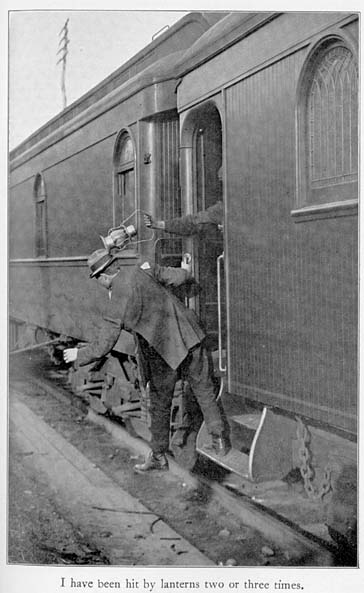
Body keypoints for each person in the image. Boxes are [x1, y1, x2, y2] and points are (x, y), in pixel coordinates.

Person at [63, 248, 230, 473]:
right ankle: (219, 440)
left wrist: (78, 355)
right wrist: (186, 271)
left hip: (163, 351)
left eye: (97, 279)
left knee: (160, 403)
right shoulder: (143, 269)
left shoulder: (116, 301)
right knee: (204, 389)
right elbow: (181, 276)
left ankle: (159, 456)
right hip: (191, 336)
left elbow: (104, 345)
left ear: (103, 276)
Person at [143, 166, 223, 235]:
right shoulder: (221, 208)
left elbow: (193, 222)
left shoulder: (223, 208)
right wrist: (157, 224)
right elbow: (192, 222)